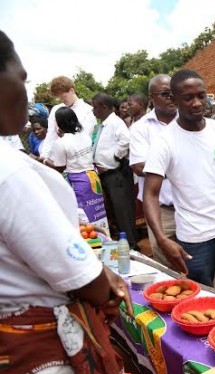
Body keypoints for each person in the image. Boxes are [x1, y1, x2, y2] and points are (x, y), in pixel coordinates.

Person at [0, 29, 132, 374]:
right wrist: (104, 282)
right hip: (39, 357)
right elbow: (87, 280)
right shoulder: (9, 173)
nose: (26, 94)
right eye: (21, 79)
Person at [143, 69, 215, 300]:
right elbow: (150, 195)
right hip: (194, 240)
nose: (196, 103)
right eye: (188, 97)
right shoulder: (164, 142)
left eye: (201, 96)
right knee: (204, 300)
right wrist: (162, 239)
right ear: (173, 99)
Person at [130, 74, 178, 268]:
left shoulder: (189, 122)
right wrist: (182, 168)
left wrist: (157, 166)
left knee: (200, 266)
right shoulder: (141, 128)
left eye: (174, 93)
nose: (171, 98)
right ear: (151, 97)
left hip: (192, 208)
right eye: (165, 94)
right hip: (160, 211)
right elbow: (139, 167)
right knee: (167, 268)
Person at [46, 107, 110, 233]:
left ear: (59, 123)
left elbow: (59, 167)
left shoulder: (61, 143)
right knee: (97, 212)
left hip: (78, 181)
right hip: (92, 177)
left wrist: (44, 160)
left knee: (84, 217)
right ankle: (104, 237)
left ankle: (92, 244)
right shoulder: (84, 135)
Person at [91, 92, 137, 247]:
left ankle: (131, 245)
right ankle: (126, 242)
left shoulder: (115, 122)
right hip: (106, 175)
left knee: (123, 211)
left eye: (95, 107)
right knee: (116, 211)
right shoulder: (103, 124)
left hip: (115, 174)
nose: (93, 111)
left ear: (104, 107)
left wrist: (115, 158)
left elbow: (126, 140)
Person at [40, 76, 96, 160]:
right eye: (59, 98)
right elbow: (51, 136)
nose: (62, 100)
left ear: (72, 90)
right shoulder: (56, 109)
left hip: (79, 159)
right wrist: (44, 156)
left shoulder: (88, 111)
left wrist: (65, 135)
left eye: (64, 96)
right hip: (58, 158)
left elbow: (86, 137)